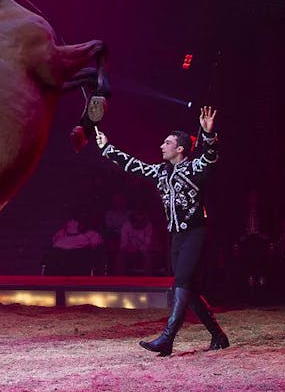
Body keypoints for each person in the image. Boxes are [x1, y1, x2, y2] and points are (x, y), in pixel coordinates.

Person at [94, 106, 229, 355]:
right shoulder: (161, 172)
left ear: (180, 149)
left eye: (167, 143)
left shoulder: (194, 168)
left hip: (195, 234)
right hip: (176, 237)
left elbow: (211, 156)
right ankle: (218, 336)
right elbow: (133, 165)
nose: (161, 146)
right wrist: (106, 148)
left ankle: (167, 338)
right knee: (189, 291)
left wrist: (208, 134)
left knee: (182, 283)